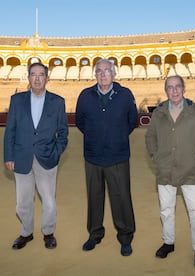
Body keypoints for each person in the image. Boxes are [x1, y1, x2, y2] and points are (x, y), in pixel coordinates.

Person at [145, 75, 195, 268]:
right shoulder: (159, 112)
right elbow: (150, 137)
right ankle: (168, 242)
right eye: (170, 87)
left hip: (190, 169)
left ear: (184, 88)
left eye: (177, 86)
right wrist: (155, 156)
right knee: (166, 209)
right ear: (166, 90)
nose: (174, 90)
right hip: (165, 169)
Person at [75, 59, 138, 256]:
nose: (102, 74)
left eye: (106, 71)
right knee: (94, 197)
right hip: (93, 156)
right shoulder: (85, 95)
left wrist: (116, 138)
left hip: (118, 156)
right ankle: (95, 234)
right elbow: (79, 122)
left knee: (121, 198)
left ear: (114, 74)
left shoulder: (125, 94)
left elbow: (132, 121)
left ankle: (125, 237)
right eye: (99, 71)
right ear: (95, 75)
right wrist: (97, 138)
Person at [3, 62, 68, 250]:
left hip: (47, 158)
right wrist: (9, 156)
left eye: (41, 74)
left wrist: (56, 153)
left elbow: (63, 133)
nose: (37, 78)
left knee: (48, 200)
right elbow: (10, 131)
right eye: (33, 74)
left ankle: (48, 232)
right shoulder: (16, 100)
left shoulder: (58, 102)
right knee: (23, 201)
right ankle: (26, 232)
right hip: (21, 157)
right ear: (28, 77)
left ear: (47, 78)